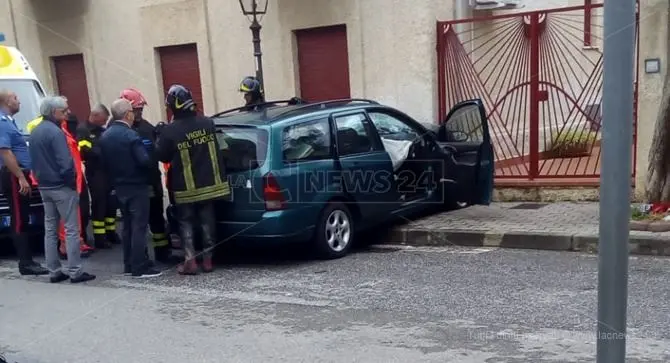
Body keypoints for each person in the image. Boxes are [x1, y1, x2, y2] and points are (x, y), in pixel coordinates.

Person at [155, 84, 231, 275]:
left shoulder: (170, 131)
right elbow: (224, 148)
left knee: (185, 222)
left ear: (174, 106)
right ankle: (208, 260)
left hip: (185, 188)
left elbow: (162, 156)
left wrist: (159, 136)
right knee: (207, 221)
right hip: (211, 185)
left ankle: (190, 262)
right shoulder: (208, 123)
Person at [28, 96, 95, 283]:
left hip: (44, 186)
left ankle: (54, 270)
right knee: (71, 229)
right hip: (61, 186)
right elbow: (65, 162)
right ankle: (75, 270)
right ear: (53, 112)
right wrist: (71, 183)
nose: (67, 113)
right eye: (64, 110)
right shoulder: (57, 133)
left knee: (50, 229)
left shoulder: (35, 132)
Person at [99, 99, 161, 278]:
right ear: (128, 114)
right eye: (132, 111)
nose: (134, 114)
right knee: (139, 226)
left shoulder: (106, 136)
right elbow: (144, 161)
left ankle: (128, 265)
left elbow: (103, 164)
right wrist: (152, 155)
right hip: (137, 186)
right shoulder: (131, 136)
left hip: (119, 187)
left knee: (127, 226)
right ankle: (139, 266)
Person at [119, 88, 172, 263]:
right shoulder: (122, 131)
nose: (139, 114)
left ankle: (163, 252)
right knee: (137, 223)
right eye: (136, 110)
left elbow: (158, 152)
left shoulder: (146, 127)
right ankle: (140, 259)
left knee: (156, 218)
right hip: (136, 184)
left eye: (141, 110)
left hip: (152, 180)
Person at [0, 90, 48, 275]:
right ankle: (25, 263)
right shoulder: (3, 122)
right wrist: (20, 177)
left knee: (22, 217)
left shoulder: (10, 121)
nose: (18, 101)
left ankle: (27, 260)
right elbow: (5, 152)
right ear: (6, 101)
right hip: (13, 176)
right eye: (15, 98)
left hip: (18, 174)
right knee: (19, 218)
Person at [77, 104, 118, 249]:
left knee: (111, 204)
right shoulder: (83, 130)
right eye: (103, 119)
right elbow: (84, 150)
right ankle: (100, 238)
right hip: (96, 173)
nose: (105, 122)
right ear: (95, 116)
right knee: (99, 204)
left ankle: (111, 233)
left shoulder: (102, 130)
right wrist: (101, 152)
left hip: (108, 171)